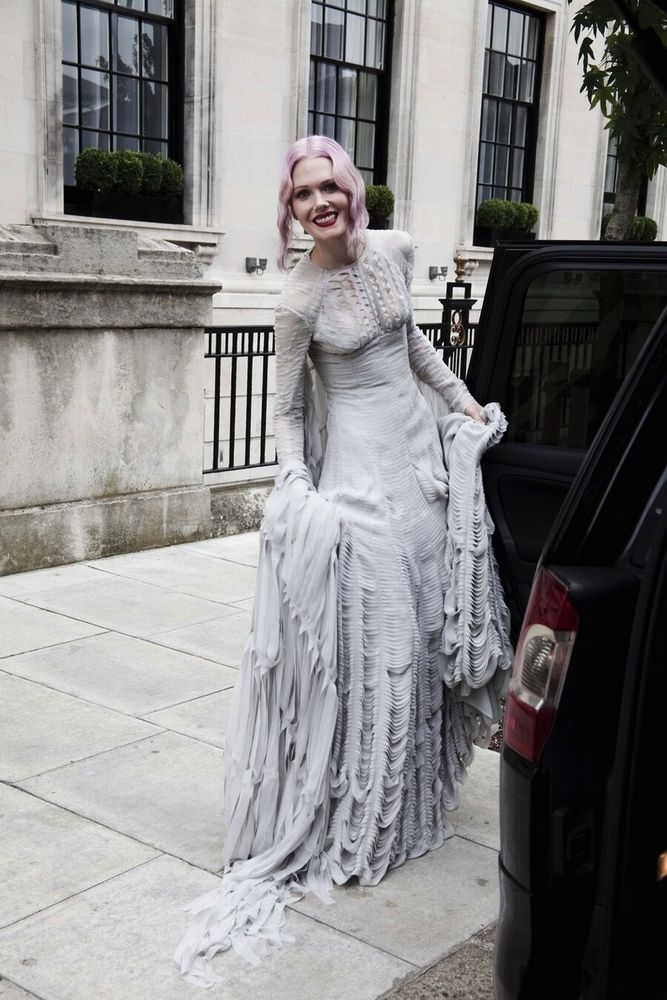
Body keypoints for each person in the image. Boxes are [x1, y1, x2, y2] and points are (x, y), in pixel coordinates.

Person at [174, 136, 512, 987]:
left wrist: (464, 403)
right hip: (357, 492)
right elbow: (287, 412)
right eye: (302, 194)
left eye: (329, 187)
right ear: (288, 208)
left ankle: (419, 802)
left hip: (422, 478)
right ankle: (372, 817)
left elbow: (419, 353)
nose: (319, 203)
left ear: (351, 189)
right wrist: (295, 484)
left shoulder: (394, 253)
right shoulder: (296, 300)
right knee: (383, 654)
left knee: (434, 640)